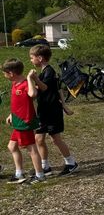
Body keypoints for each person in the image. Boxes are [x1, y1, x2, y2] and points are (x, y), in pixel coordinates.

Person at [28, 45, 78, 176]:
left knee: (55, 138)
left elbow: (44, 88)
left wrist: (35, 79)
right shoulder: (43, 71)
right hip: (43, 111)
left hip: (52, 111)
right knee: (38, 138)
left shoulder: (49, 71)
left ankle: (71, 163)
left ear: (40, 58)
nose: (31, 60)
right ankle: (45, 166)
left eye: (32, 58)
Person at [3, 58, 45, 184]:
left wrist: (29, 78)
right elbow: (18, 103)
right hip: (17, 121)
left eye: (5, 73)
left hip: (24, 122)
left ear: (11, 73)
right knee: (12, 146)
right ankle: (19, 173)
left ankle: (40, 175)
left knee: (31, 149)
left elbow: (32, 94)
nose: (4, 75)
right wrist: (11, 114)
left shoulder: (25, 84)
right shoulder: (15, 84)